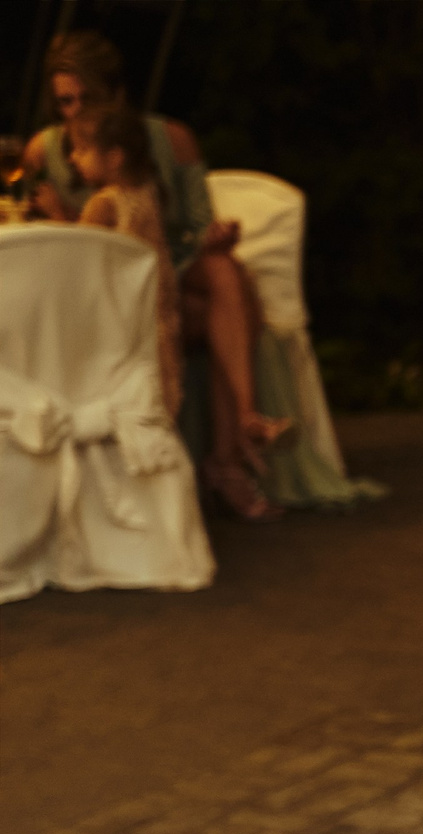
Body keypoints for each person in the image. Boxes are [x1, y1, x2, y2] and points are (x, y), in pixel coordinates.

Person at [23, 31, 290, 520]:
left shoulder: (171, 139)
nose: (77, 111)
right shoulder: (45, 152)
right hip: (100, 298)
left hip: (170, 274)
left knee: (225, 268)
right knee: (233, 298)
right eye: (66, 100)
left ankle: (235, 447)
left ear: (118, 95)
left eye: (90, 98)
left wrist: (208, 239)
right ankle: (234, 452)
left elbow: (192, 225)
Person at [69, 105, 182, 414]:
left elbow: (74, 260)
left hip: (120, 325)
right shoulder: (149, 191)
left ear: (115, 157)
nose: (72, 158)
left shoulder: (104, 204)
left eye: (81, 149)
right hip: (158, 320)